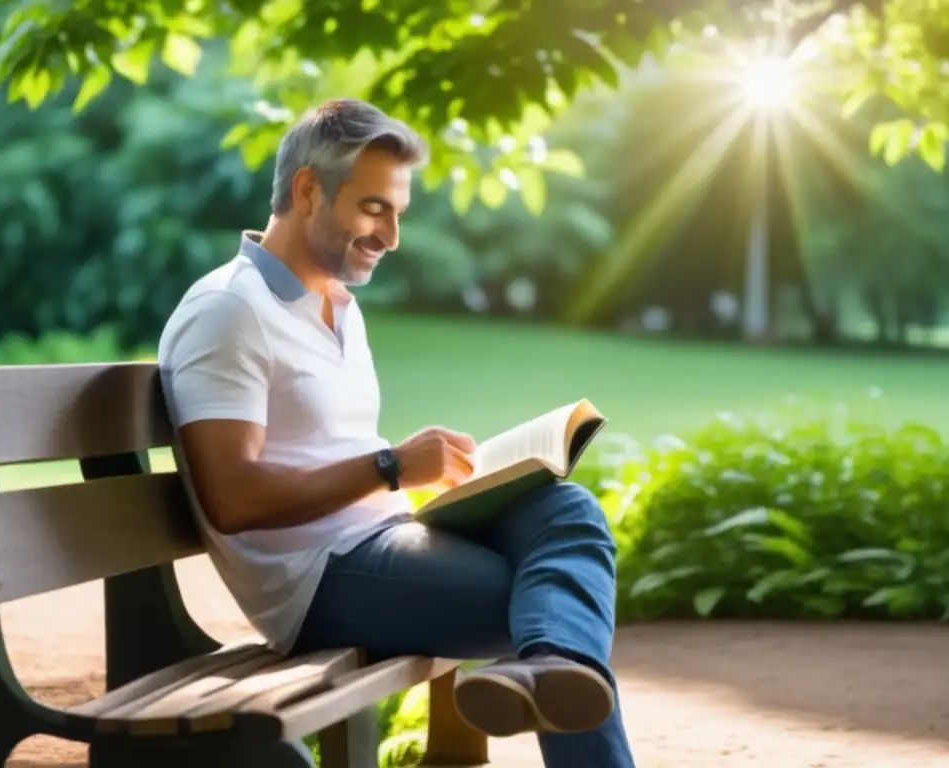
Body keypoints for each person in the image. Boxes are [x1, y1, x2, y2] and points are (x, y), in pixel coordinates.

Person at [157, 98, 636, 768]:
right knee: (549, 600)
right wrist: (389, 466)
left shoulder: (335, 305)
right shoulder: (229, 313)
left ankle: (548, 667)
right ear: (307, 190)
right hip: (318, 581)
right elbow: (232, 499)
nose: (392, 236)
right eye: (375, 208)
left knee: (566, 510)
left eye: (397, 214)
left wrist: (424, 472)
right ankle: (555, 669)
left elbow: (324, 449)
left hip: (382, 538)